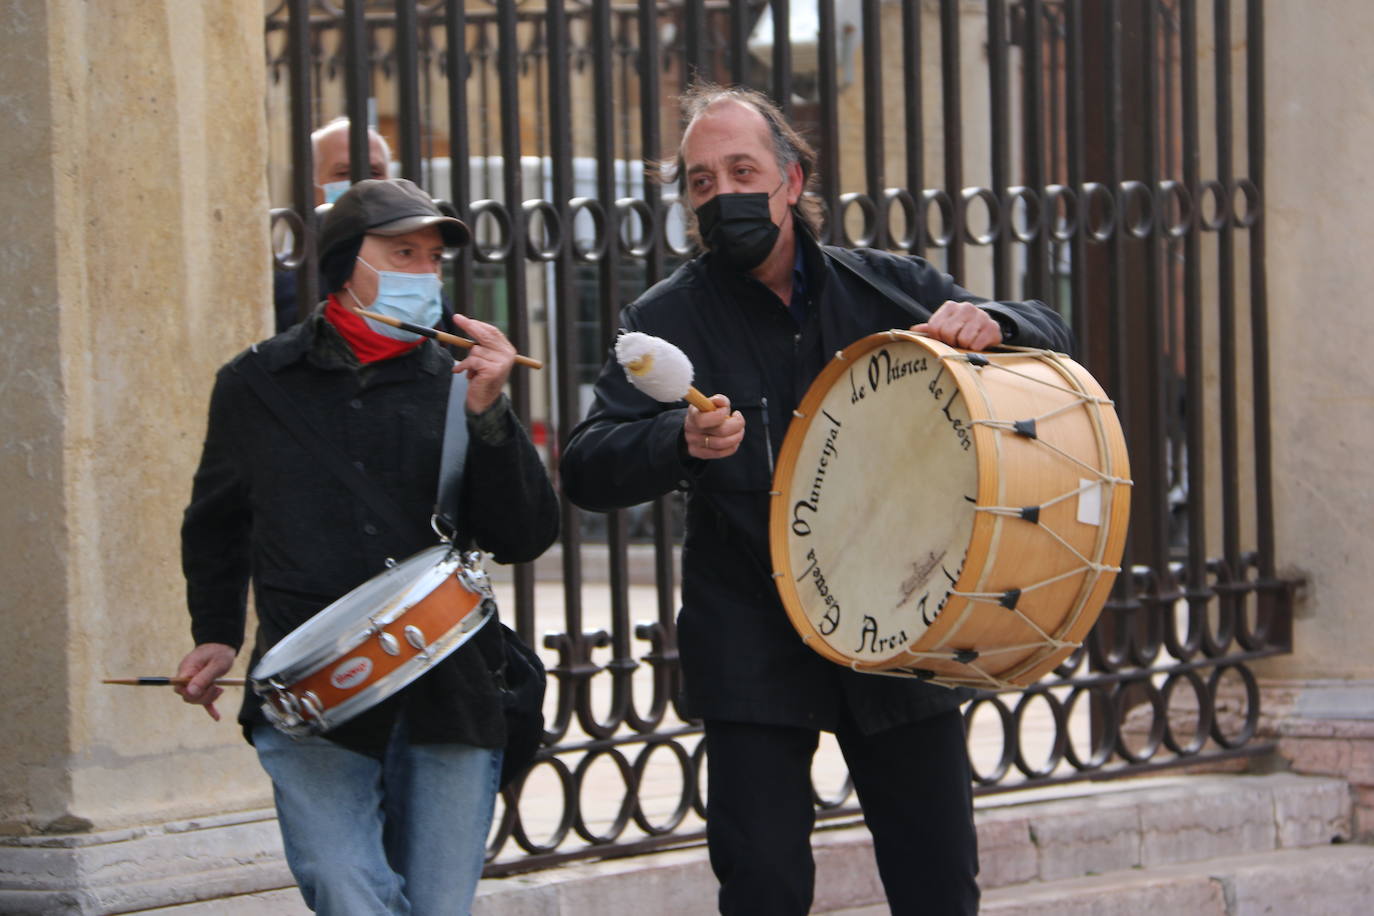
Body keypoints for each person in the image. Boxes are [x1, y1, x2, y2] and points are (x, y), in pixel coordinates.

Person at [559, 84, 1074, 916]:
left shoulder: (890, 290)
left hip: (903, 628)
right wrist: (674, 443)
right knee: (762, 886)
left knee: (938, 885)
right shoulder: (662, 320)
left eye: (742, 170)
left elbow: (1051, 332)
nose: (722, 195)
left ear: (792, 180)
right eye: (699, 181)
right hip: (752, 640)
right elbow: (586, 467)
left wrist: (997, 323)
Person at [176, 177, 559, 915]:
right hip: (314, 689)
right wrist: (216, 637)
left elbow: (524, 535)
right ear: (349, 261)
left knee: (438, 906)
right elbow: (217, 522)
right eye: (402, 252)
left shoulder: (462, 378)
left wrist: (490, 414)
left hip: (450, 688)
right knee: (344, 885)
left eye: (432, 259)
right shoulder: (256, 382)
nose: (423, 272)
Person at [275, 118, 394, 331]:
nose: (363, 184)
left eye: (375, 173)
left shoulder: (418, 269)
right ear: (311, 188)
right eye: (343, 173)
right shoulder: (290, 285)